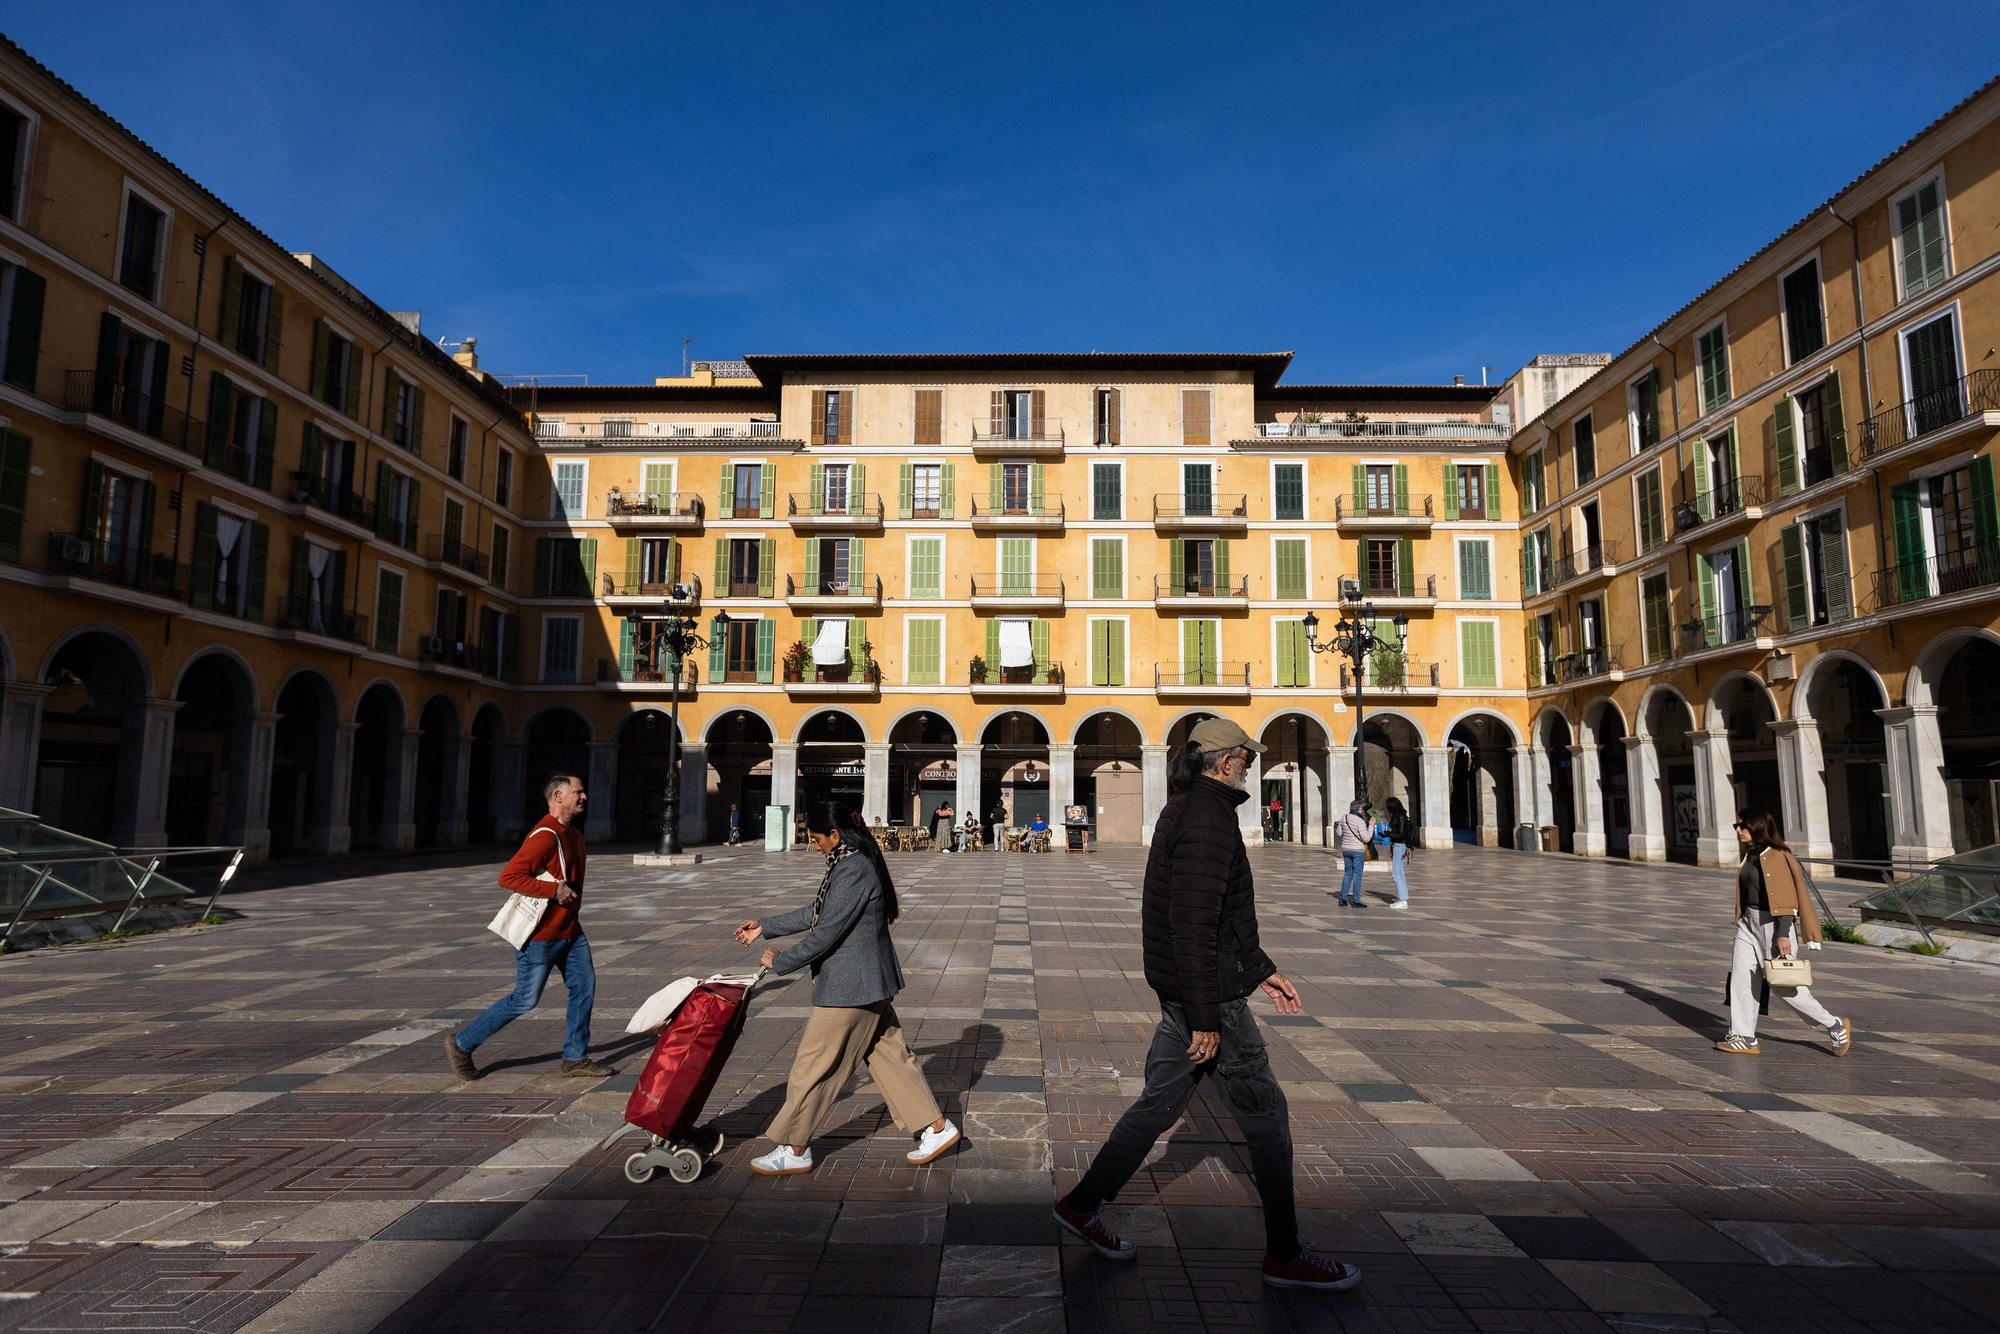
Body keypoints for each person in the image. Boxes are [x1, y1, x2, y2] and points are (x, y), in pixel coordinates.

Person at [1054, 718, 1359, 1290]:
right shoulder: (1207, 821)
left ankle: (1080, 1204)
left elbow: (1227, 914)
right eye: (1246, 755)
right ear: (1224, 761)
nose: (1250, 763)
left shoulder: (1190, 809)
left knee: (1155, 1108)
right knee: (1268, 1120)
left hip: (1193, 991)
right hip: (1209, 999)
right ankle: (1284, 1255)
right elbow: (1191, 926)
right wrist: (1205, 1017)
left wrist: (1262, 968)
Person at [734, 801, 960, 1174]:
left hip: (850, 987)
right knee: (891, 1059)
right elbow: (820, 911)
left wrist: (780, 962)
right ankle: (936, 1128)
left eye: (816, 838)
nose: (815, 844)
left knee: (814, 1067)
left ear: (835, 835)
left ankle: (794, 1147)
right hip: (868, 983)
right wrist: (766, 925)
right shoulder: (850, 863)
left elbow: (825, 933)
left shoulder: (852, 868)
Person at [446, 773, 614, 1081]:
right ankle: (461, 1043)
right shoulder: (545, 835)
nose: (584, 797)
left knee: (584, 986)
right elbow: (508, 877)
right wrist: (553, 891)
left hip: (570, 931)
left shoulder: (573, 833)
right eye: (578, 792)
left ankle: (574, 1057)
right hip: (540, 936)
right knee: (525, 999)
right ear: (558, 797)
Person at [1717, 808, 1852, 1057]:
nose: (1738, 830)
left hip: (1774, 927)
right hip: (1748, 925)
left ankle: (1834, 1024)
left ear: (1757, 826)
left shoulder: (1777, 856)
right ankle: (1744, 1037)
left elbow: (1787, 898)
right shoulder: (1751, 855)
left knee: (1783, 986)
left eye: (1742, 825)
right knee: (1741, 980)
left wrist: (1783, 933)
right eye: (1736, 826)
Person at [1335, 800, 1371, 908]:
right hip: (1358, 850)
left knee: (1347, 873)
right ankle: (1356, 901)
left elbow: (1339, 833)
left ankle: (1342, 898)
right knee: (1357, 875)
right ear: (1359, 809)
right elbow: (1366, 838)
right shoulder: (1360, 821)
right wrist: (1372, 826)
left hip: (1346, 849)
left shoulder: (1344, 818)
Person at [1383, 797, 1412, 910]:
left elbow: (1400, 834)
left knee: (1396, 874)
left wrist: (1389, 834)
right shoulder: (1401, 817)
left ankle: (1402, 900)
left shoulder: (1400, 818)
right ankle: (1403, 898)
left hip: (1399, 846)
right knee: (1400, 873)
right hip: (1398, 846)